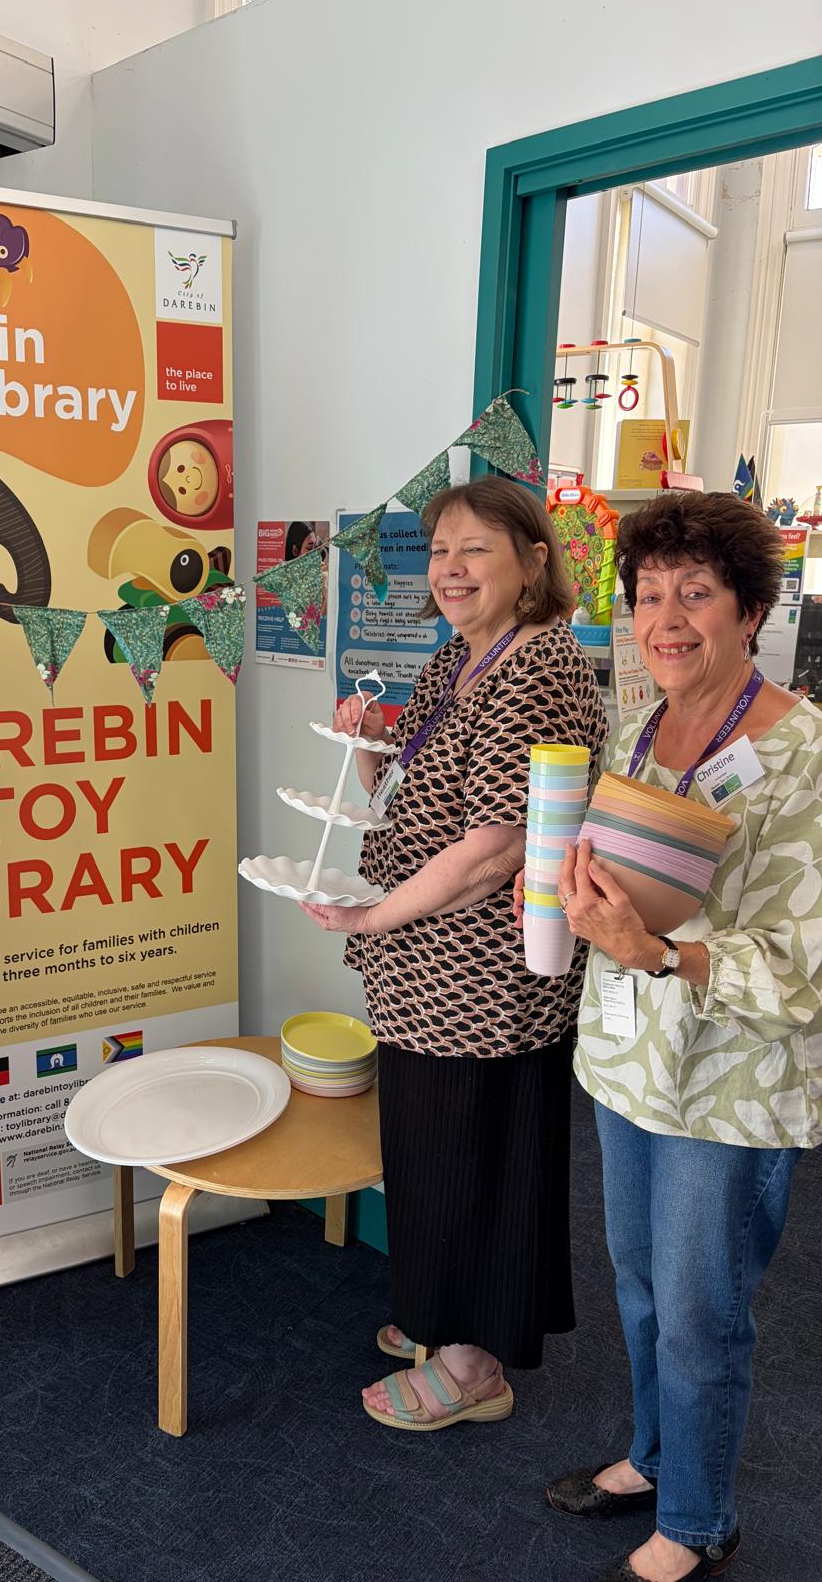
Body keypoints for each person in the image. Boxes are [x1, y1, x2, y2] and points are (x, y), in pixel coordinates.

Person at [541, 491, 821, 1582]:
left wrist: (660, 953)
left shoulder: (802, 754)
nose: (665, 619)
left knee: (704, 1312)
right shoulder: (637, 728)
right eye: (648, 594)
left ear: (750, 611)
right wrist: (571, 895)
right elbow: (620, 881)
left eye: (694, 594)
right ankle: (657, 1459)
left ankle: (700, 1520)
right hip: (630, 1062)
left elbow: (803, 970)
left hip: (732, 1081)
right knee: (641, 1285)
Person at [303, 478, 607, 1430]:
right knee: (432, 1150)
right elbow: (398, 794)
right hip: (424, 969)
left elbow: (494, 849)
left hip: (483, 980)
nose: (451, 569)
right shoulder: (460, 657)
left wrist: (372, 918)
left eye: (476, 549)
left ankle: (474, 1366)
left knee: (476, 1157)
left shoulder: (538, 669)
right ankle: (440, 1312)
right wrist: (367, 743)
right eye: (440, 551)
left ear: (533, 562)